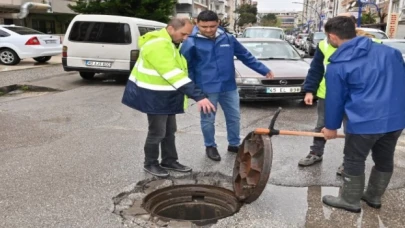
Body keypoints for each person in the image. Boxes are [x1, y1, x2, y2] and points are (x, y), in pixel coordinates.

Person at [320, 16, 405, 213]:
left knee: (354, 159)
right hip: (395, 119)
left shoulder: (337, 65)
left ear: (333, 36)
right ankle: (374, 196)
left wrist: (331, 127)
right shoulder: (391, 53)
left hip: (364, 121)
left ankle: (350, 200)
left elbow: (334, 100)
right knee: (384, 158)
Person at [121, 17, 216, 177]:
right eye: (184, 34)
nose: (186, 38)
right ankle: (150, 163)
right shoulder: (158, 45)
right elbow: (173, 74)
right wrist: (199, 96)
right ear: (171, 29)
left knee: (169, 131)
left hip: (166, 95)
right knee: (157, 132)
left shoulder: (170, 42)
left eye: (188, 35)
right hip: (154, 96)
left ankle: (169, 160)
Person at [180, 10, 274, 161]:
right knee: (208, 120)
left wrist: (264, 69)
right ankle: (210, 146)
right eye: (204, 27)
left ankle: (234, 144)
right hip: (207, 89)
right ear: (197, 23)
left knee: (234, 117)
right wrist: (194, 91)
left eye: (212, 26)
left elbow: (245, 55)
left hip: (229, 87)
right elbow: (186, 67)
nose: (209, 30)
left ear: (218, 23)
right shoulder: (190, 42)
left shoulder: (228, 38)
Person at [298, 13, 381, 175]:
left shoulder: (372, 44)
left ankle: (348, 162)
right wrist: (309, 90)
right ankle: (315, 152)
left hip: (355, 96)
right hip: (327, 94)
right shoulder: (324, 45)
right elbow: (316, 69)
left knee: (352, 128)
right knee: (322, 125)